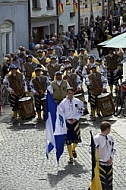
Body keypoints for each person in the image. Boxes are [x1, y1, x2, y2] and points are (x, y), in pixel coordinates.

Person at [59, 87, 84, 164]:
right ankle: (70, 157)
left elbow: (81, 111)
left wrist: (76, 118)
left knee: (76, 138)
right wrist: (66, 119)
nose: (71, 95)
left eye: (72, 93)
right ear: (67, 93)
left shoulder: (77, 101)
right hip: (67, 123)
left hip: (75, 122)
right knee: (68, 140)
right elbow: (60, 113)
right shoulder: (63, 103)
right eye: (69, 93)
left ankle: (73, 149)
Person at [92, 121, 116, 190]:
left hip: (109, 164)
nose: (110, 130)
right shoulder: (96, 139)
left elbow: (113, 148)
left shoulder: (110, 137)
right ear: (107, 129)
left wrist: (111, 157)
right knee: (102, 183)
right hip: (101, 165)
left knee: (109, 183)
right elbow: (91, 150)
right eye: (109, 128)